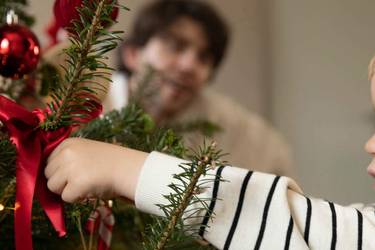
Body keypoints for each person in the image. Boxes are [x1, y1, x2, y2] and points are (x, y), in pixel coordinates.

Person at [45, 56, 375, 249]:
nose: (369, 144)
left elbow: (300, 227)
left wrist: (131, 171)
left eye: (203, 57)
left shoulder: (237, 128)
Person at [102, 0, 294, 177]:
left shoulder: (219, 122)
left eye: (203, 57)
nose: (189, 66)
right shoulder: (87, 101)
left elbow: (274, 152)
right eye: (175, 46)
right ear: (133, 54)